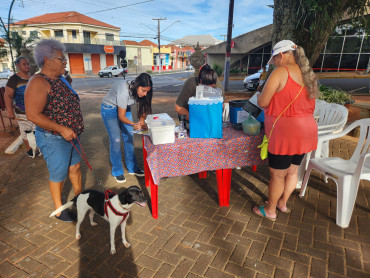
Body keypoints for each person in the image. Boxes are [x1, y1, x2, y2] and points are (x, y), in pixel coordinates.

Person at [253, 40, 319, 221]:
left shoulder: (281, 72)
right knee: (292, 171)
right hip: (307, 131)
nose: (273, 63)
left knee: (277, 174)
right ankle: (282, 203)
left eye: (274, 59)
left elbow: (263, 103)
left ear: (281, 55)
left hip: (286, 132)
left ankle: (270, 210)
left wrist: (260, 94)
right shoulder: (308, 73)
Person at [25, 39, 83, 222]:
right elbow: (33, 115)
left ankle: (80, 198)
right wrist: (61, 129)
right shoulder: (38, 82)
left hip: (72, 136)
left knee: (75, 167)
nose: (65, 62)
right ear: (47, 59)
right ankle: (59, 209)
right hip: (54, 138)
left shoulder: (61, 79)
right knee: (58, 173)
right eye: (61, 59)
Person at [101, 73, 153, 183]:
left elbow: (144, 109)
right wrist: (134, 124)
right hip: (109, 109)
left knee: (129, 137)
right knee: (116, 140)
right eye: (143, 90)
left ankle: (132, 168)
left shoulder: (144, 93)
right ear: (137, 85)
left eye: (147, 91)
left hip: (124, 108)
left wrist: (141, 122)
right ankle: (117, 171)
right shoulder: (124, 90)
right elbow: (121, 116)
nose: (145, 94)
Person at [4, 57, 35, 157]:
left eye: (27, 64)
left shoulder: (32, 77)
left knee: (36, 130)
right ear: (18, 66)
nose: (27, 66)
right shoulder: (14, 79)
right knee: (26, 130)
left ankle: (37, 147)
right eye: (24, 64)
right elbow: (7, 95)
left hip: (36, 111)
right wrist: (10, 112)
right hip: (22, 112)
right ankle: (30, 150)